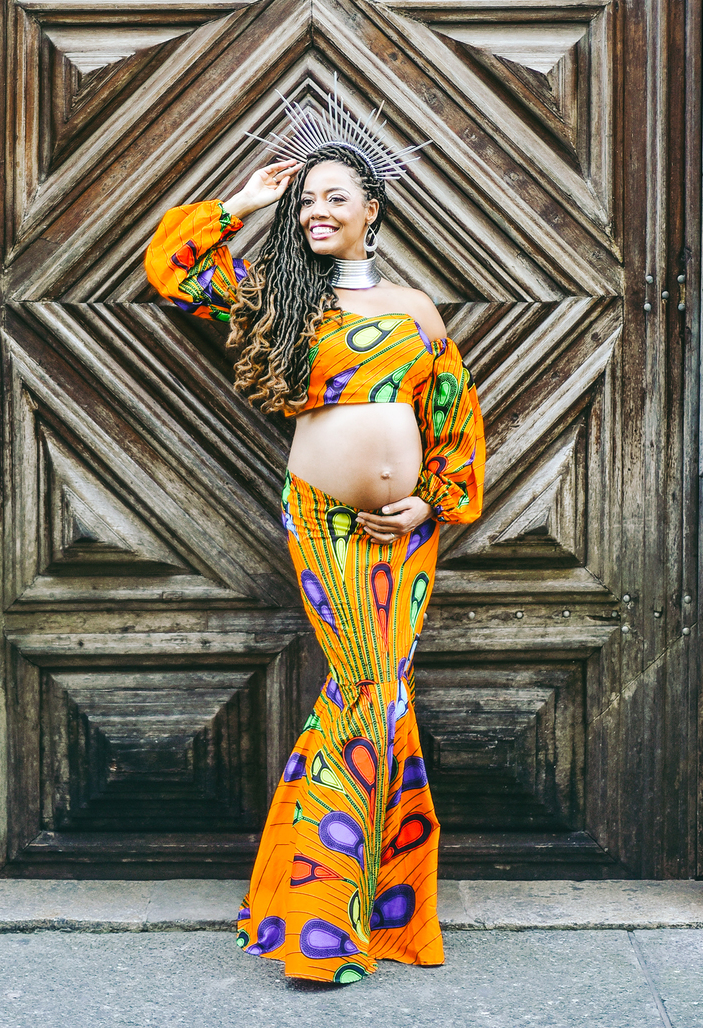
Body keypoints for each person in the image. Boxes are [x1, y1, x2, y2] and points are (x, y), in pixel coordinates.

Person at [143, 84, 484, 986]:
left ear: (374, 209)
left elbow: (452, 414)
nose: (316, 210)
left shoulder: (415, 307)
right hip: (324, 519)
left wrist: (432, 502)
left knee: (382, 697)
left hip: (403, 537)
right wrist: (245, 201)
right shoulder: (278, 301)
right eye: (306, 199)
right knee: (368, 690)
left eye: (336, 196)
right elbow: (172, 265)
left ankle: (367, 912)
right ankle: (322, 921)